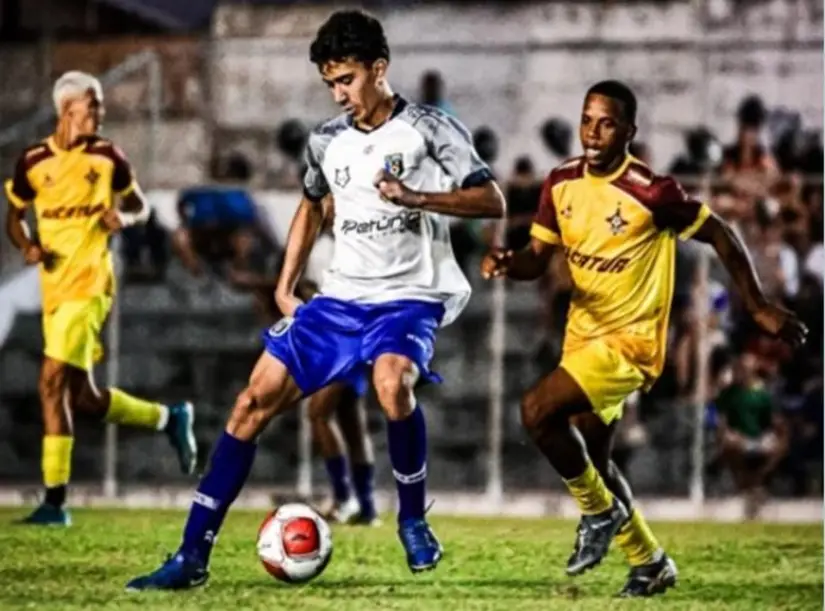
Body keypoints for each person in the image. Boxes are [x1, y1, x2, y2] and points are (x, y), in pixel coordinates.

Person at [126, 10, 504, 591]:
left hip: (408, 297)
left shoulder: (429, 129)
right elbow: (310, 205)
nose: (339, 94)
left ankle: (412, 520)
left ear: (379, 68)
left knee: (392, 383)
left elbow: (490, 199)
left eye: (347, 79)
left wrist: (416, 196)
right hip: (340, 301)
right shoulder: (327, 140)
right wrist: (285, 284)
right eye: (330, 83)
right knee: (250, 403)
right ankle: (191, 555)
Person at [481, 80, 807, 597]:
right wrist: (507, 262)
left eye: (606, 124)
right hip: (582, 338)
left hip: (630, 345)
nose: (593, 133)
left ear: (628, 132)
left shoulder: (653, 192)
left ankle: (599, 514)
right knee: (595, 459)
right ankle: (650, 562)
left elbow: (720, 232)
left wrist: (758, 304)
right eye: (587, 121)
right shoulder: (561, 182)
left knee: (536, 411)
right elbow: (536, 259)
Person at [3, 71, 197, 527]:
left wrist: (124, 220)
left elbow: (141, 206)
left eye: (100, 104)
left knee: (50, 382)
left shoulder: (108, 156)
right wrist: (26, 245)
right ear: (67, 109)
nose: (101, 112)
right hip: (54, 289)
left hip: (91, 285)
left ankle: (54, 503)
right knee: (83, 397)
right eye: (93, 105)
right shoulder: (33, 162)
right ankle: (169, 419)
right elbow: (14, 216)